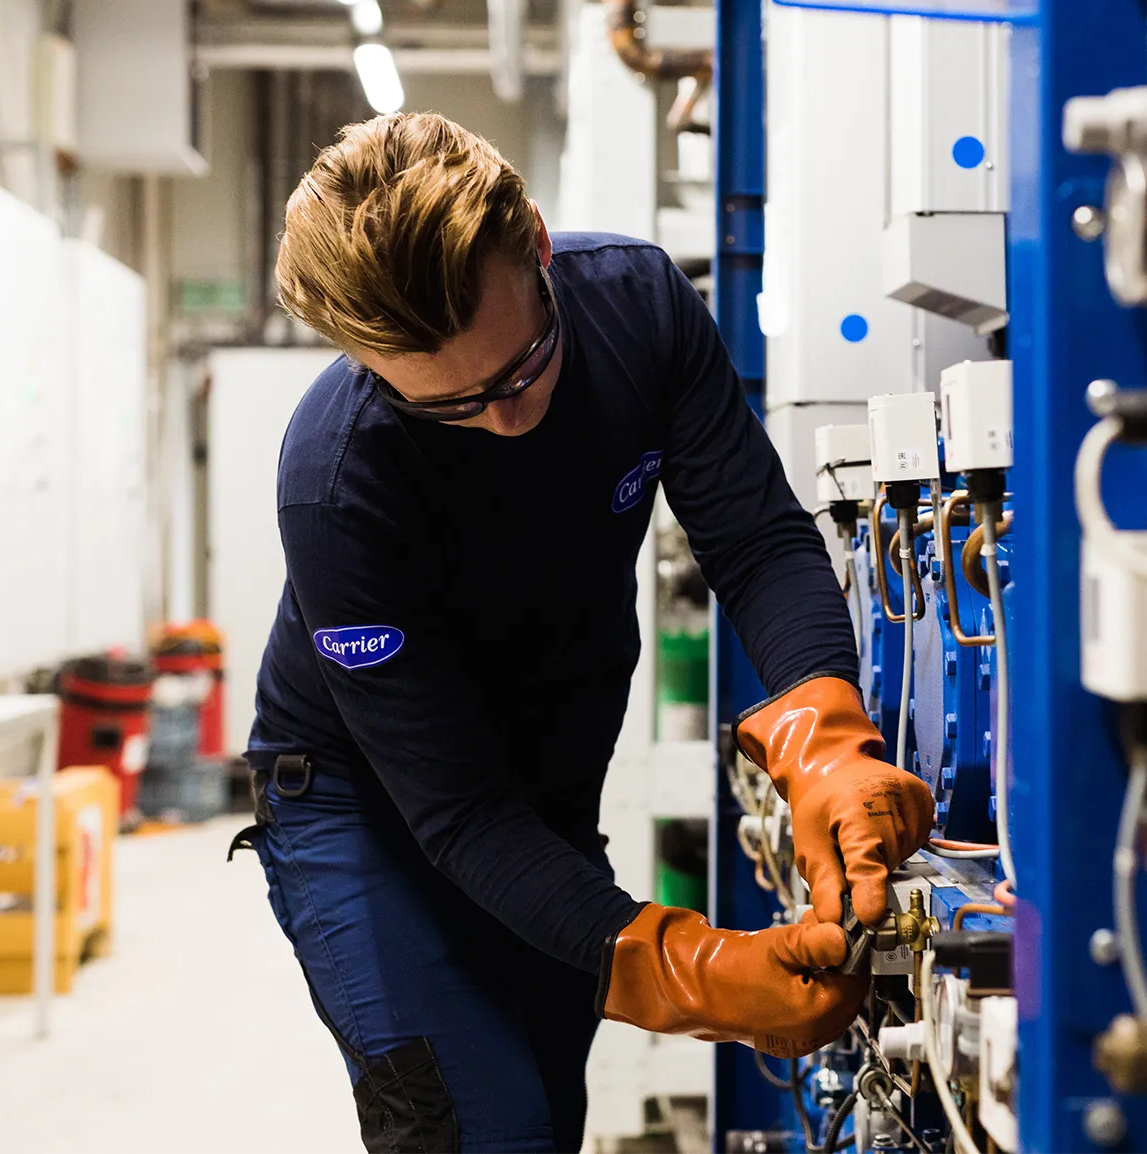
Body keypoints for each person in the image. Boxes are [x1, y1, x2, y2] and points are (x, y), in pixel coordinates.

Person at [234, 112, 934, 1154]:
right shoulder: (338, 483)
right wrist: (684, 966)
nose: (506, 419)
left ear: (542, 247)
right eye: (454, 407)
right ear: (372, 365)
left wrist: (826, 741)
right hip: (366, 806)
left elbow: (754, 542)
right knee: (483, 1130)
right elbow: (460, 814)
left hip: (545, 774)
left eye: (522, 368)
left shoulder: (639, 308)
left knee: (549, 1111)